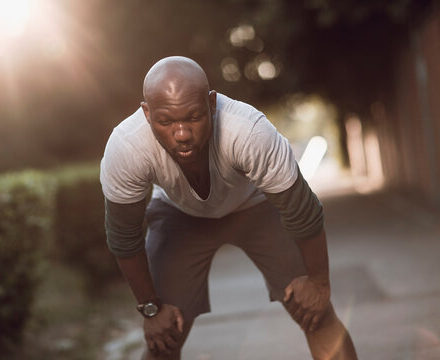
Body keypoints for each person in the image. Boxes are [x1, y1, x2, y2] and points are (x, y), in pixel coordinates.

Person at [100, 56, 358, 360]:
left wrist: (318, 282)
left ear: (211, 103)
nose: (182, 133)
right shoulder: (126, 148)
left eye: (193, 117)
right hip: (179, 217)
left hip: (257, 208)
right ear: (146, 113)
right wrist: (150, 308)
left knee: (317, 314)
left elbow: (303, 211)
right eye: (166, 121)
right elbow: (124, 238)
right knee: (163, 337)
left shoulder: (248, 132)